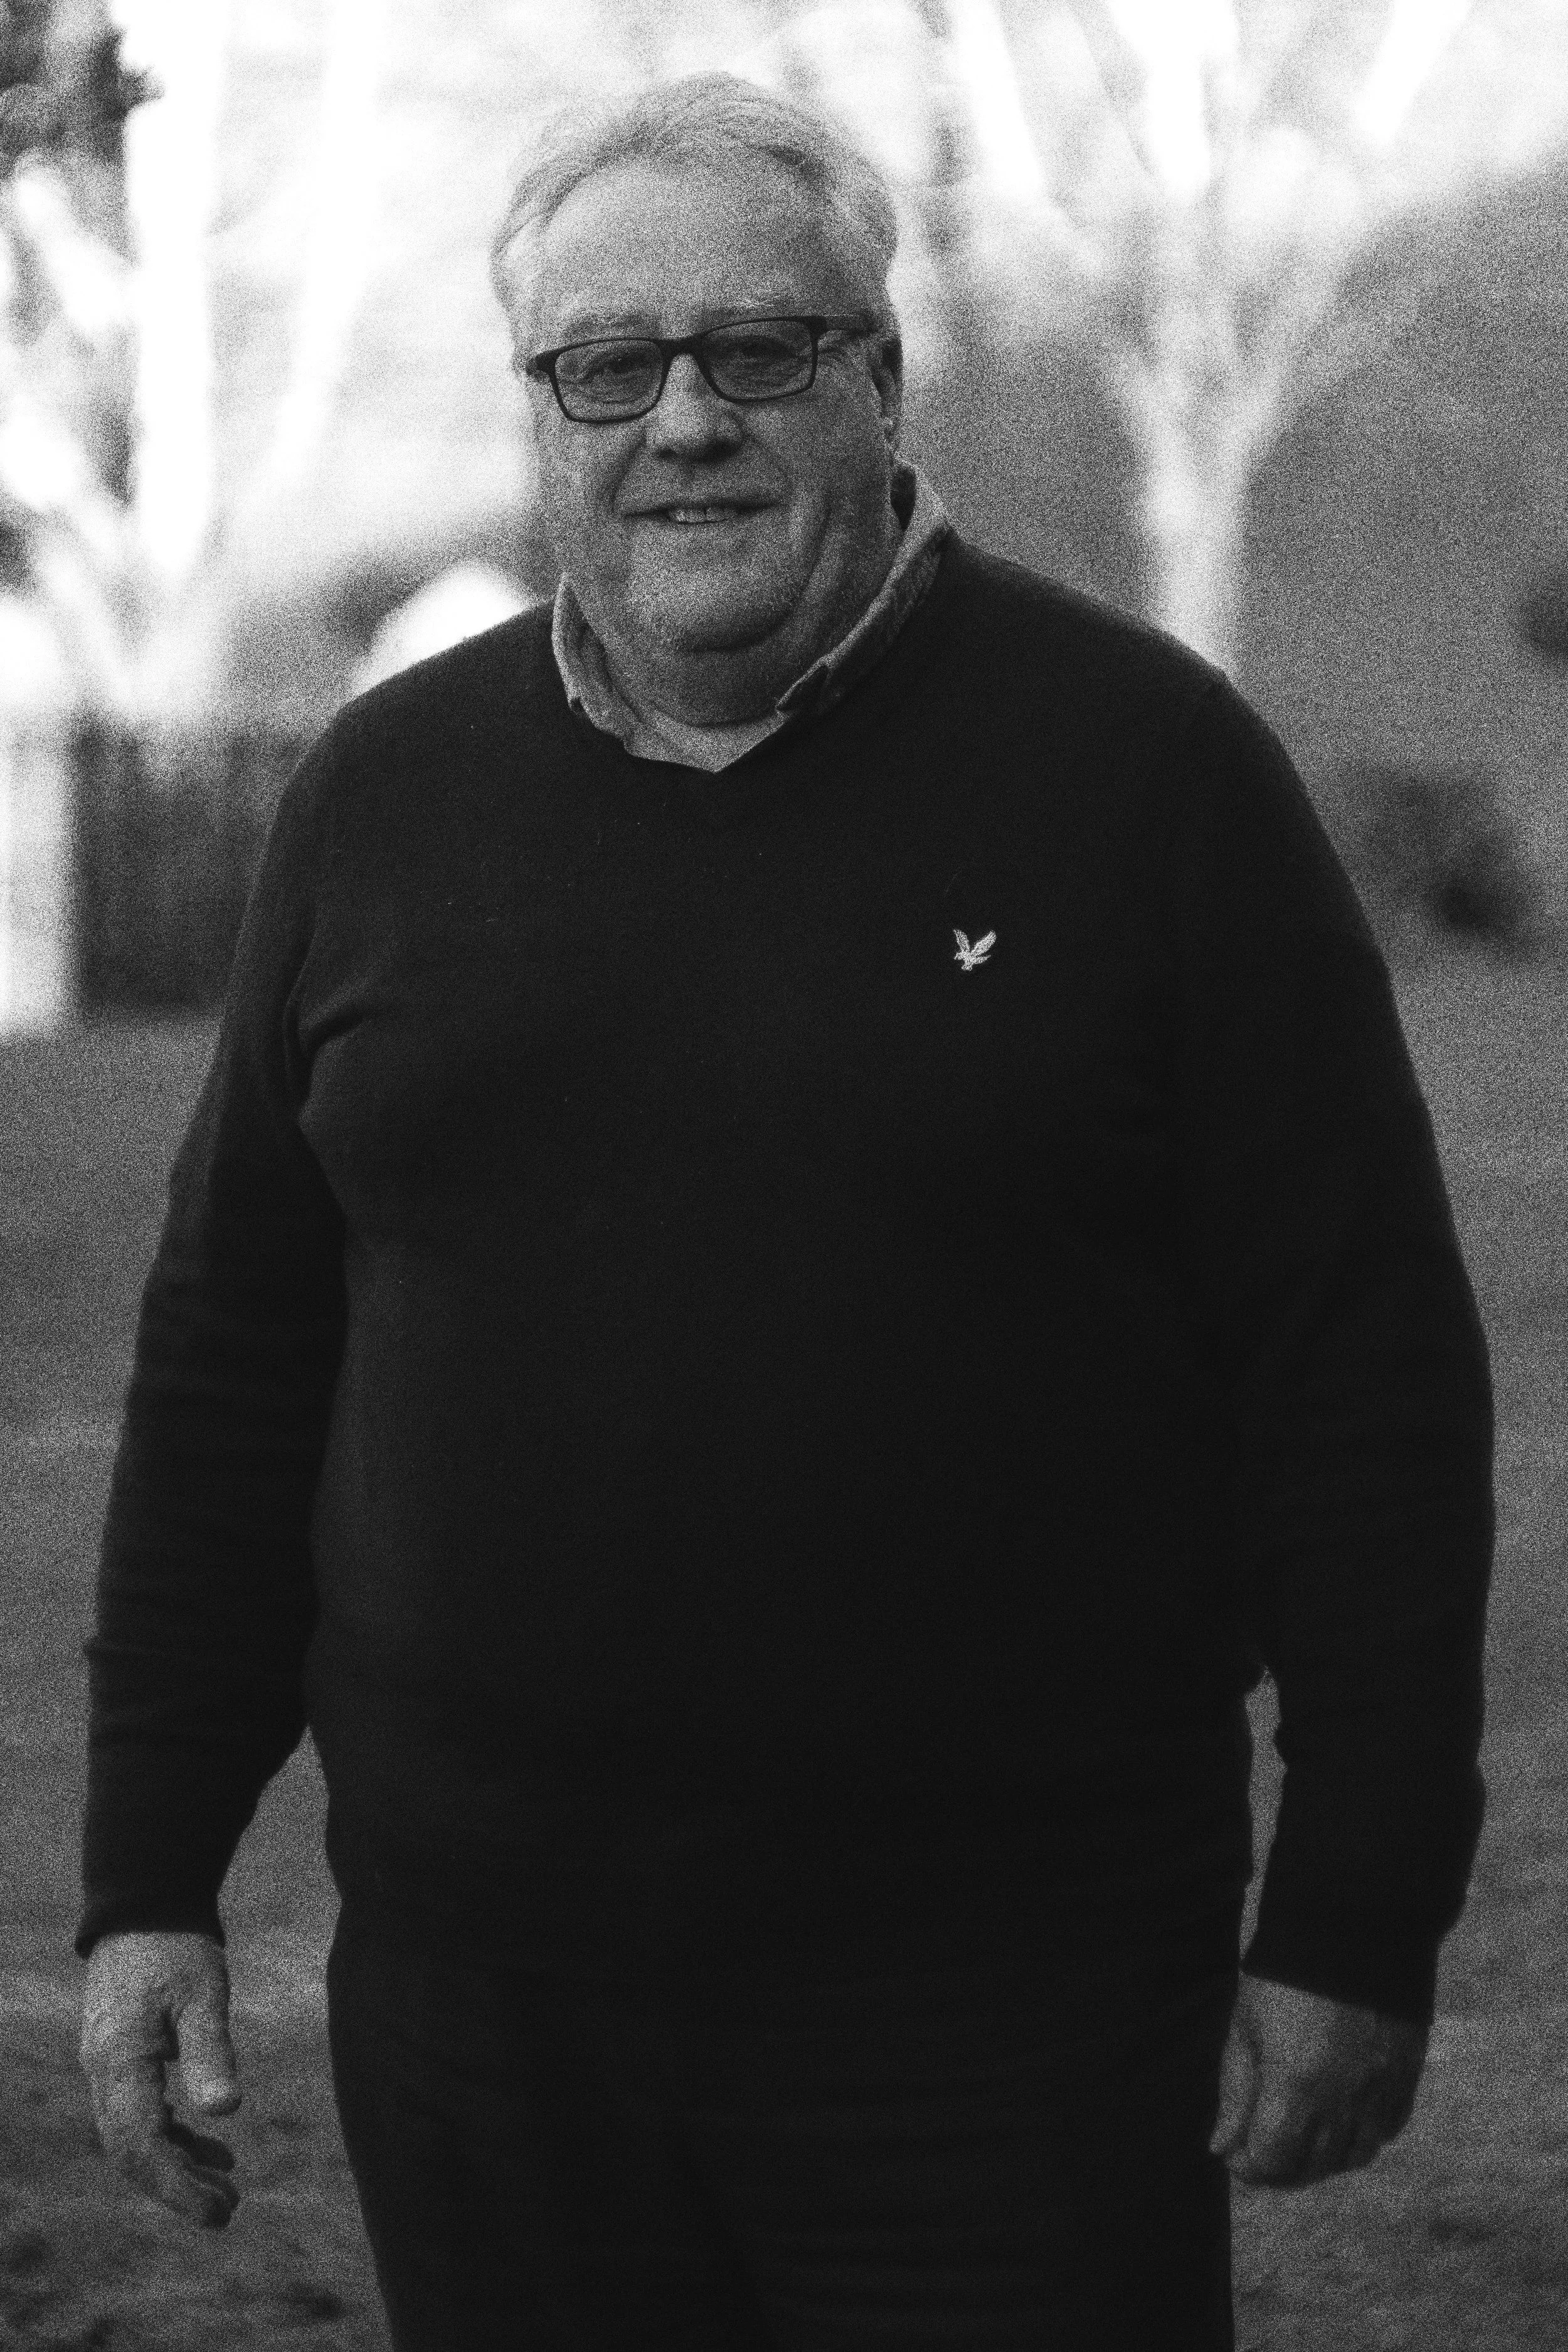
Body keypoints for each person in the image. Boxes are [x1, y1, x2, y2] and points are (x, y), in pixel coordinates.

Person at [75, 70, 1494, 2352]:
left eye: (758, 350)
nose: (683, 423)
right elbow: (236, 1362)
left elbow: (1363, 1375)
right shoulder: (383, 794)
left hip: (1005, 2014)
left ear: (880, 374)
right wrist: (147, 1876)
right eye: (606, 367)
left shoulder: (1145, 774)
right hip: (485, 2007)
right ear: (540, 407)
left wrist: (1355, 1908)